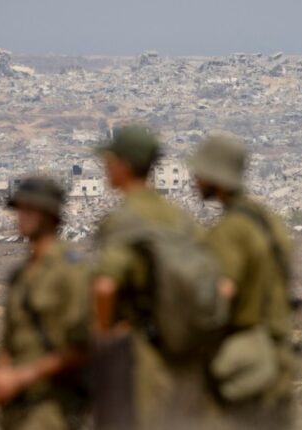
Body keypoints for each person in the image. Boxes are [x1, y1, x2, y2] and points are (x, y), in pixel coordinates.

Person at [92, 125, 214, 429]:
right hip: (188, 356)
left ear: (123, 165)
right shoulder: (182, 219)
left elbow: (106, 287)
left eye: (108, 161)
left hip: (140, 359)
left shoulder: (123, 221)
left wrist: (100, 346)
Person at [190, 135, 296, 429]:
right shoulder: (267, 220)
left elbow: (221, 292)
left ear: (217, 178)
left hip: (243, 360)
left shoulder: (231, 230)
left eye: (200, 174)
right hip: (277, 353)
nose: (194, 180)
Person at [0, 177, 90, 430]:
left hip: (54, 409)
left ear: (50, 215)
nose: (21, 217)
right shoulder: (21, 275)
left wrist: (22, 376)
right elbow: (13, 338)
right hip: (17, 411)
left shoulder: (70, 270)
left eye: (30, 210)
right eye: (19, 209)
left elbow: (82, 346)